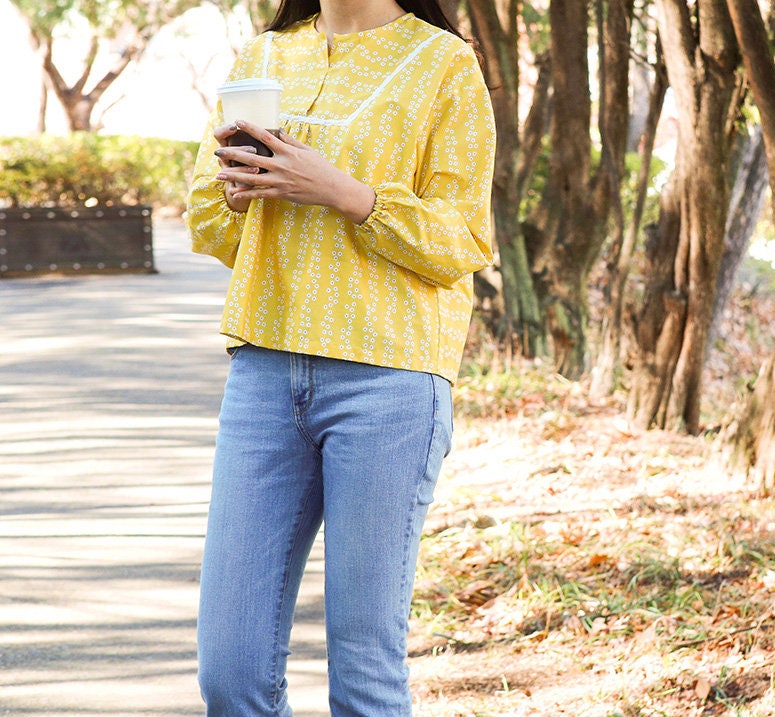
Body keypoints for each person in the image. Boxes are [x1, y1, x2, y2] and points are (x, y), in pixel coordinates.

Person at [184, 0, 495, 712]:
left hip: (389, 378)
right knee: (230, 672)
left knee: (363, 670)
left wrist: (346, 195)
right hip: (264, 369)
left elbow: (462, 240)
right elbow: (208, 222)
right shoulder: (264, 56)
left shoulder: (444, 62)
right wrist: (238, 195)